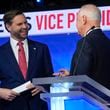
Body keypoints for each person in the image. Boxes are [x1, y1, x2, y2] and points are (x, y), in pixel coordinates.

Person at [0, 10, 53, 110]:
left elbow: (49, 76)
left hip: (37, 106)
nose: (25, 27)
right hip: (9, 106)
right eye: (19, 24)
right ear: (8, 26)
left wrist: (43, 86)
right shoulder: (1, 53)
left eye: (26, 23)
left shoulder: (41, 48)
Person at [54, 4, 110, 90]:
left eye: (77, 20)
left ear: (84, 19)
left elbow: (81, 79)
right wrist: (72, 74)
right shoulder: (107, 42)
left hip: (91, 101)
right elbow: (98, 72)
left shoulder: (85, 42)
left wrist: (72, 88)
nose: (76, 24)